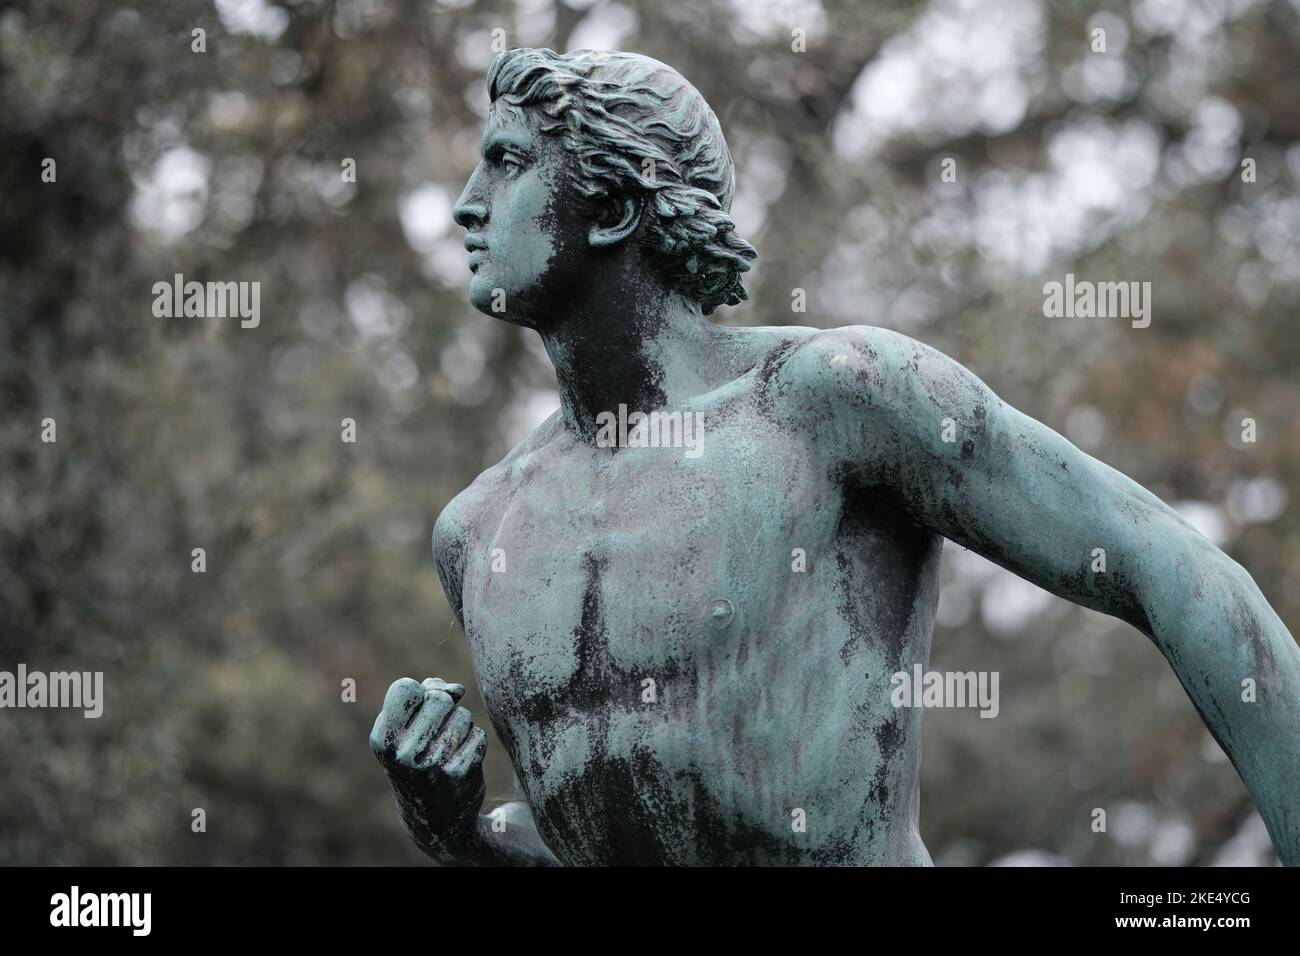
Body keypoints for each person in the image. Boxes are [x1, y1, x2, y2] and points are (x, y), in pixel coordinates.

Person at [369, 48, 1300, 866]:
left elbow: (1161, 559)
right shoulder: (481, 530)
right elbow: (618, 835)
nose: (465, 205)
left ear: (610, 207)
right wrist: (459, 833)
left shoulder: (829, 399)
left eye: (507, 163)